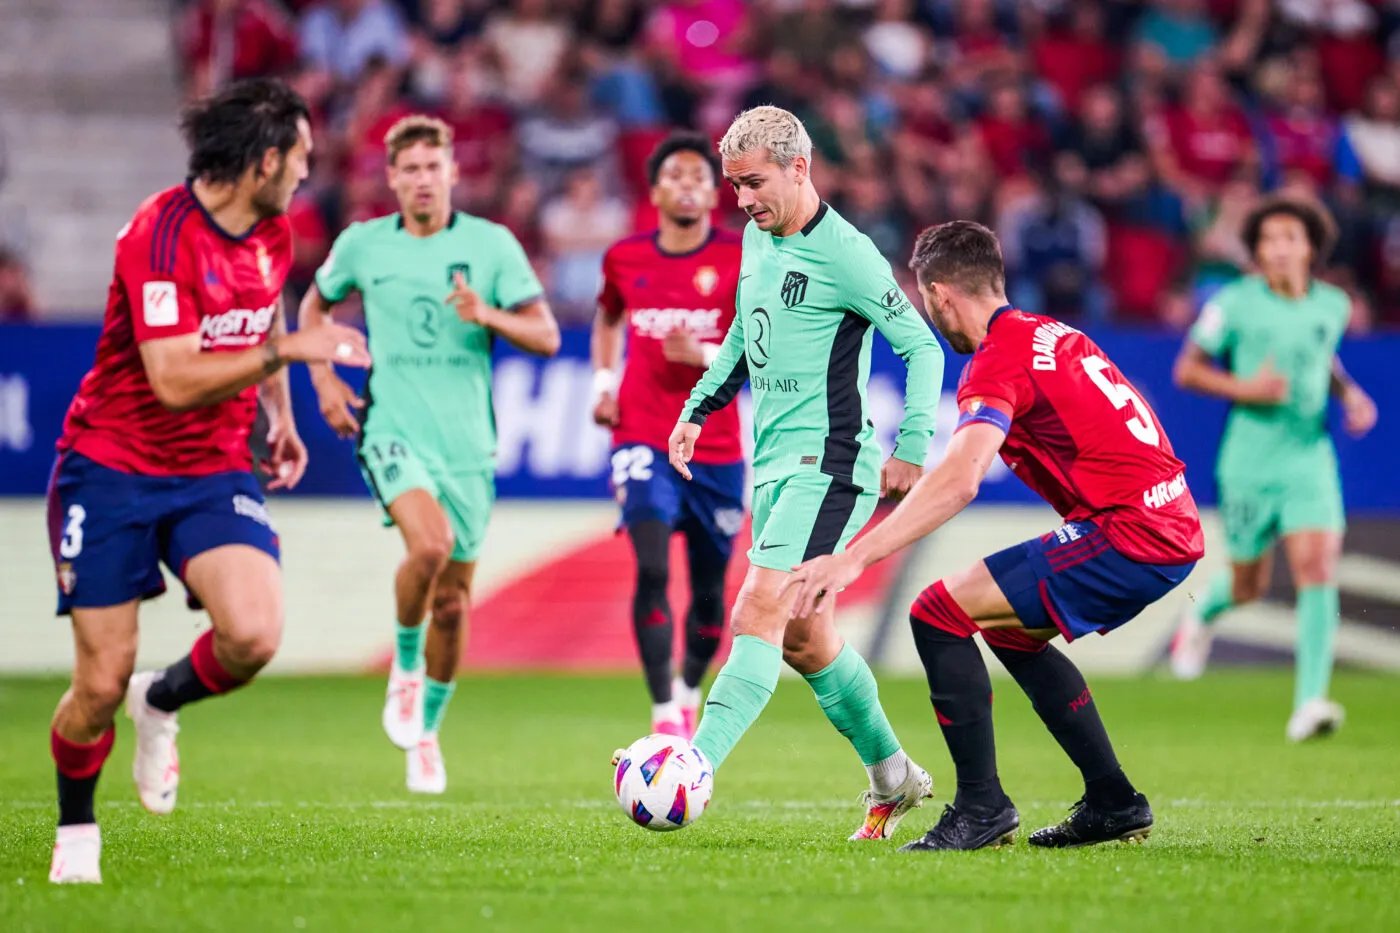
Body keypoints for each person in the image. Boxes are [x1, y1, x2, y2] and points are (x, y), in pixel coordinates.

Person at [786, 220, 1205, 852]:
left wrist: (854, 558)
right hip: (1166, 517)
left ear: (940, 294)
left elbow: (960, 481)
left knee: (937, 613)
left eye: (927, 303)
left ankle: (981, 807)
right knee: (1009, 630)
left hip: (1133, 530)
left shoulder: (996, 360)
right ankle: (1113, 801)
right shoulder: (1054, 332)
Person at [45, 78, 370, 884]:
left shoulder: (273, 231)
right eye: (299, 157)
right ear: (263, 160)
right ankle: (76, 834)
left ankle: (162, 700)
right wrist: (290, 356)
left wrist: (281, 414)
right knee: (97, 680)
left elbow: (266, 313)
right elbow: (174, 378)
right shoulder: (157, 235)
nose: (306, 173)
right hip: (110, 465)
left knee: (254, 633)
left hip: (211, 465)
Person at [658, 106, 945, 841]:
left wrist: (913, 442)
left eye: (753, 183)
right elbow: (739, 338)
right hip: (778, 464)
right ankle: (894, 777)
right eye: (735, 187)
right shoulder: (759, 237)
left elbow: (922, 347)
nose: (743, 200)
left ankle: (694, 765)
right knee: (805, 638)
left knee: (758, 608)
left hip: (835, 463)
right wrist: (698, 405)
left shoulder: (847, 253)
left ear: (799, 167)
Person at [301, 114, 560, 794]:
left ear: (452, 173)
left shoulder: (492, 245)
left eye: (432, 167)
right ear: (391, 178)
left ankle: (426, 733)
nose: (421, 179)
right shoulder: (361, 244)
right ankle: (405, 670)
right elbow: (311, 310)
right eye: (408, 169)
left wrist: (490, 315)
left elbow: (546, 335)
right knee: (428, 546)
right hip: (392, 428)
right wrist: (326, 379)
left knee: (452, 602)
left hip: (468, 444)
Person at [1169, 196, 1377, 740]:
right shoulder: (1234, 303)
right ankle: (1201, 615)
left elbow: (1322, 355)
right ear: (1257, 250)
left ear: (1311, 247)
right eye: (1269, 240)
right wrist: (1246, 388)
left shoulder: (1332, 304)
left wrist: (1351, 395)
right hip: (1249, 457)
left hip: (1310, 454)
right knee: (1248, 584)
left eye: (1291, 238)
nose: (1280, 249)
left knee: (1318, 566)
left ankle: (1310, 702)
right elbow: (1186, 370)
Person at [591, 132, 745, 739]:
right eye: (674, 175)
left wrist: (706, 352)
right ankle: (662, 717)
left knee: (710, 589)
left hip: (716, 446)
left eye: (698, 176)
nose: (686, 185)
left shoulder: (742, 258)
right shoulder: (625, 258)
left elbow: (768, 349)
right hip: (642, 435)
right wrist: (603, 382)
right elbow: (607, 316)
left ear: (716, 191)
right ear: (655, 190)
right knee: (652, 569)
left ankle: (687, 693)